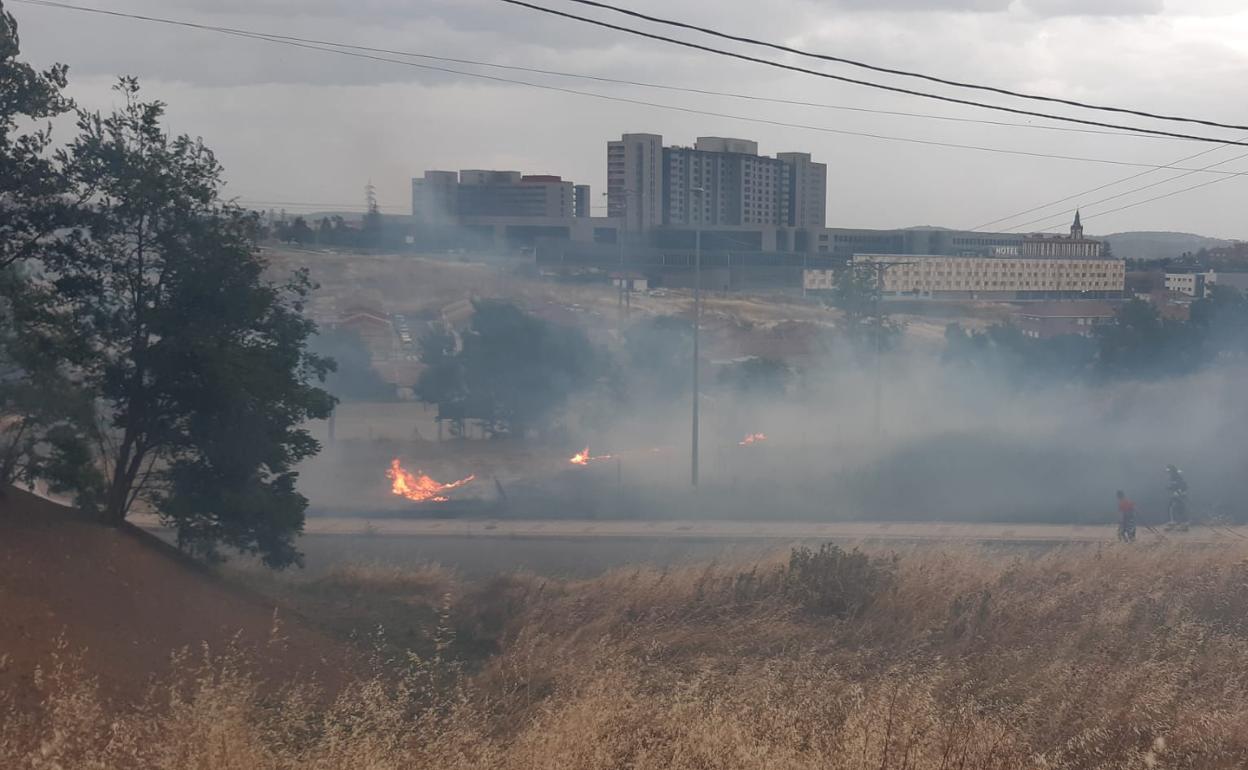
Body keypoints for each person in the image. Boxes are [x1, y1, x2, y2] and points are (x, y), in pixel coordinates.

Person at [1165, 465, 1189, 532]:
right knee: (1175, 508)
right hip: (1177, 494)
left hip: (1179, 495)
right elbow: (1174, 485)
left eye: (1169, 471)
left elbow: (1183, 485)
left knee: (1176, 508)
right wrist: (1170, 487)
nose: (1168, 473)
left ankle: (1180, 523)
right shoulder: (1173, 477)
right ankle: (1178, 523)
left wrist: (1180, 491)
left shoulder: (1177, 476)